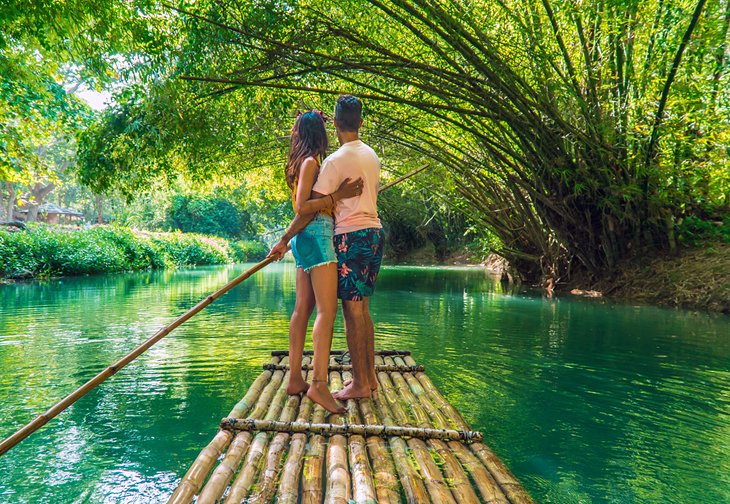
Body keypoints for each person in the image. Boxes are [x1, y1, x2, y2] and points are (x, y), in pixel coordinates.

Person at [270, 95, 385, 401]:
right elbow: (306, 206)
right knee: (356, 309)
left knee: (346, 309)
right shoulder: (369, 155)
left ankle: (357, 382)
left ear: (334, 124)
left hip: (348, 236)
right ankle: (361, 380)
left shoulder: (331, 162)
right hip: (368, 234)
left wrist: (285, 239)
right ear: (360, 122)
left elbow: (306, 208)